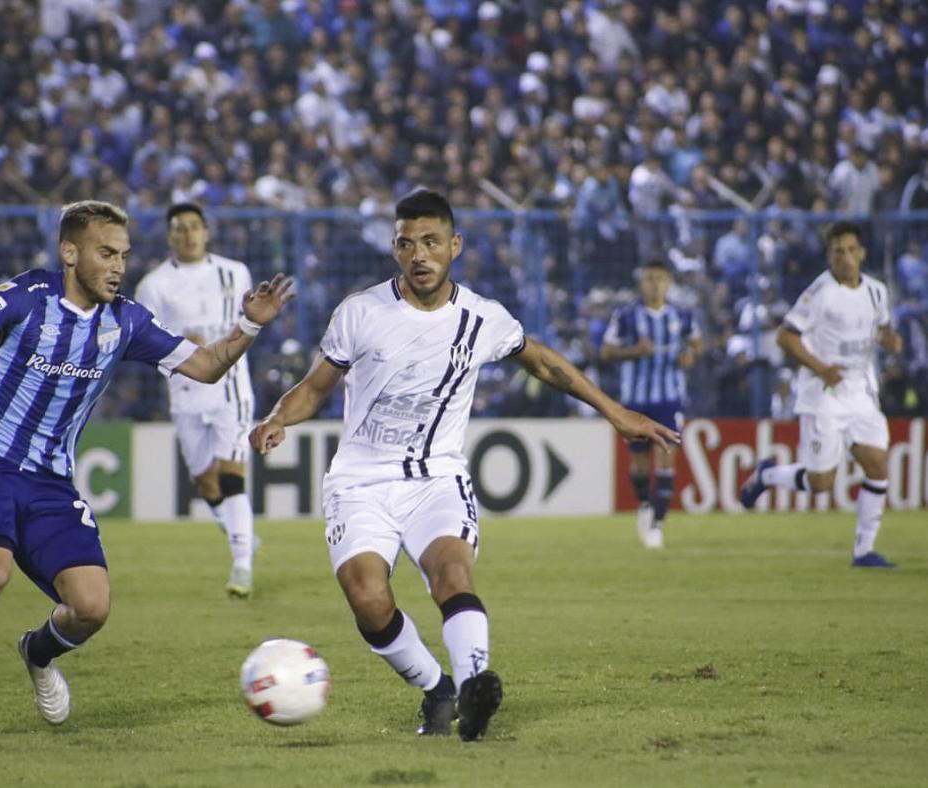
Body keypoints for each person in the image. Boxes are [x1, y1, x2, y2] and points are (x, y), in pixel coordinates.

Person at [249, 190, 677, 741]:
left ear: (455, 246)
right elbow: (316, 387)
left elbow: (543, 361)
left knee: (451, 574)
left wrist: (616, 413)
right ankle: (437, 688)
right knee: (367, 596)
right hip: (361, 480)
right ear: (394, 247)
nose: (419, 255)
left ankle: (476, 688)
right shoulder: (360, 312)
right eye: (407, 243)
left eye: (431, 242)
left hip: (437, 479)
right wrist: (280, 417)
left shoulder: (482, 318)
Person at [0, 200, 293, 734]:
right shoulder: (26, 296)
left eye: (123, 256)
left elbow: (205, 366)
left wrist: (249, 323)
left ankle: (37, 653)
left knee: (91, 607)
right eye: (106, 253)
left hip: (51, 479)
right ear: (69, 251)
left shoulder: (125, 319)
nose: (118, 266)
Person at [740, 221, 903, 568]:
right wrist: (820, 367)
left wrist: (891, 341)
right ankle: (767, 476)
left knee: (877, 464)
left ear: (862, 253)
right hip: (824, 395)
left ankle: (863, 551)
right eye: (837, 251)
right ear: (829, 255)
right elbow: (786, 336)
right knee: (821, 482)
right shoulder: (820, 293)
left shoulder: (876, 291)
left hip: (861, 392)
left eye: (850, 250)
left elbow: (883, 329)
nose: (844, 257)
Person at [134, 203, 258, 597]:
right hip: (185, 392)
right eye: (179, 229)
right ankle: (242, 536)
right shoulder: (153, 285)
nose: (187, 235)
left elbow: (249, 325)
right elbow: (144, 342)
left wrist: (220, 348)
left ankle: (242, 566)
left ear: (206, 231)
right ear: (170, 236)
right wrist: (184, 350)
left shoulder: (234, 272)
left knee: (230, 474)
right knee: (206, 484)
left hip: (230, 387)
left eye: (193, 228)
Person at [600, 260, 701, 549]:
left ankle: (657, 522)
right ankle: (645, 504)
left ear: (669, 283)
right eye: (650, 278)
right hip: (636, 400)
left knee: (668, 454)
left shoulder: (681, 314)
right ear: (642, 282)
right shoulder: (627, 315)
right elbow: (606, 352)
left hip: (670, 399)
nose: (655, 284)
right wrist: (634, 351)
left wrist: (689, 357)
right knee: (640, 463)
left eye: (660, 279)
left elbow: (696, 343)